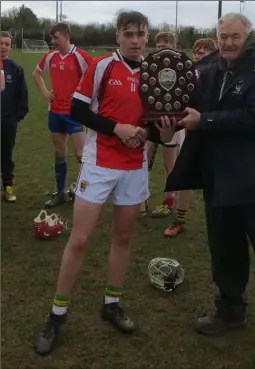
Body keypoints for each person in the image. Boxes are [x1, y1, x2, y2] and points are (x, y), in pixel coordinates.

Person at [34, 11, 176, 356]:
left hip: (134, 167)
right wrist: (117, 128)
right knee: (80, 240)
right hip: (99, 165)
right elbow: (79, 112)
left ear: (147, 36)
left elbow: (162, 125)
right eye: (129, 33)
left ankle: (111, 304)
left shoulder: (155, 74)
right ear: (118, 36)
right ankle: (57, 315)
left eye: (141, 34)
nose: (135, 40)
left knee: (123, 237)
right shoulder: (101, 67)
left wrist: (158, 132)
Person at [165, 13, 255, 359]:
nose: (228, 42)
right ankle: (230, 311)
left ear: (248, 37)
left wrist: (205, 120)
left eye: (235, 37)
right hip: (219, 177)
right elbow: (188, 103)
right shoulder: (209, 70)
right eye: (223, 36)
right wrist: (167, 113)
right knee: (224, 250)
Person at [33, 23, 92, 208]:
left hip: (75, 113)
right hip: (55, 111)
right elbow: (36, 73)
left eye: (56, 37)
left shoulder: (80, 56)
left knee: (81, 154)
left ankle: (84, 191)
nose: (53, 41)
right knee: (59, 152)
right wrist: (44, 92)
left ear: (66, 36)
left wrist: (84, 99)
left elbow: (95, 78)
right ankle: (60, 193)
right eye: (52, 38)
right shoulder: (50, 56)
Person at [164, 38, 218, 238]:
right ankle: (179, 219)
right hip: (192, 135)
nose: (198, 56)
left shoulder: (221, 75)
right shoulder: (188, 75)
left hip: (217, 136)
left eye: (203, 52)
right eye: (196, 52)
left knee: (220, 181)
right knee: (185, 176)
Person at [141, 32, 186, 218]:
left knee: (169, 163)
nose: (161, 49)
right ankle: (141, 199)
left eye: (165, 45)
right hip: (151, 121)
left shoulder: (183, 67)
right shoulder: (150, 66)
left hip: (172, 122)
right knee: (144, 159)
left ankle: (168, 201)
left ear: (174, 46)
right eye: (158, 46)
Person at [1, 31, 29, 202]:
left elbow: (23, 95)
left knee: (6, 154)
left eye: (6, 44)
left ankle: (8, 187)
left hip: (7, 120)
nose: (3, 47)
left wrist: (16, 116)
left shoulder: (16, 69)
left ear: (10, 47)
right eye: (0, 43)